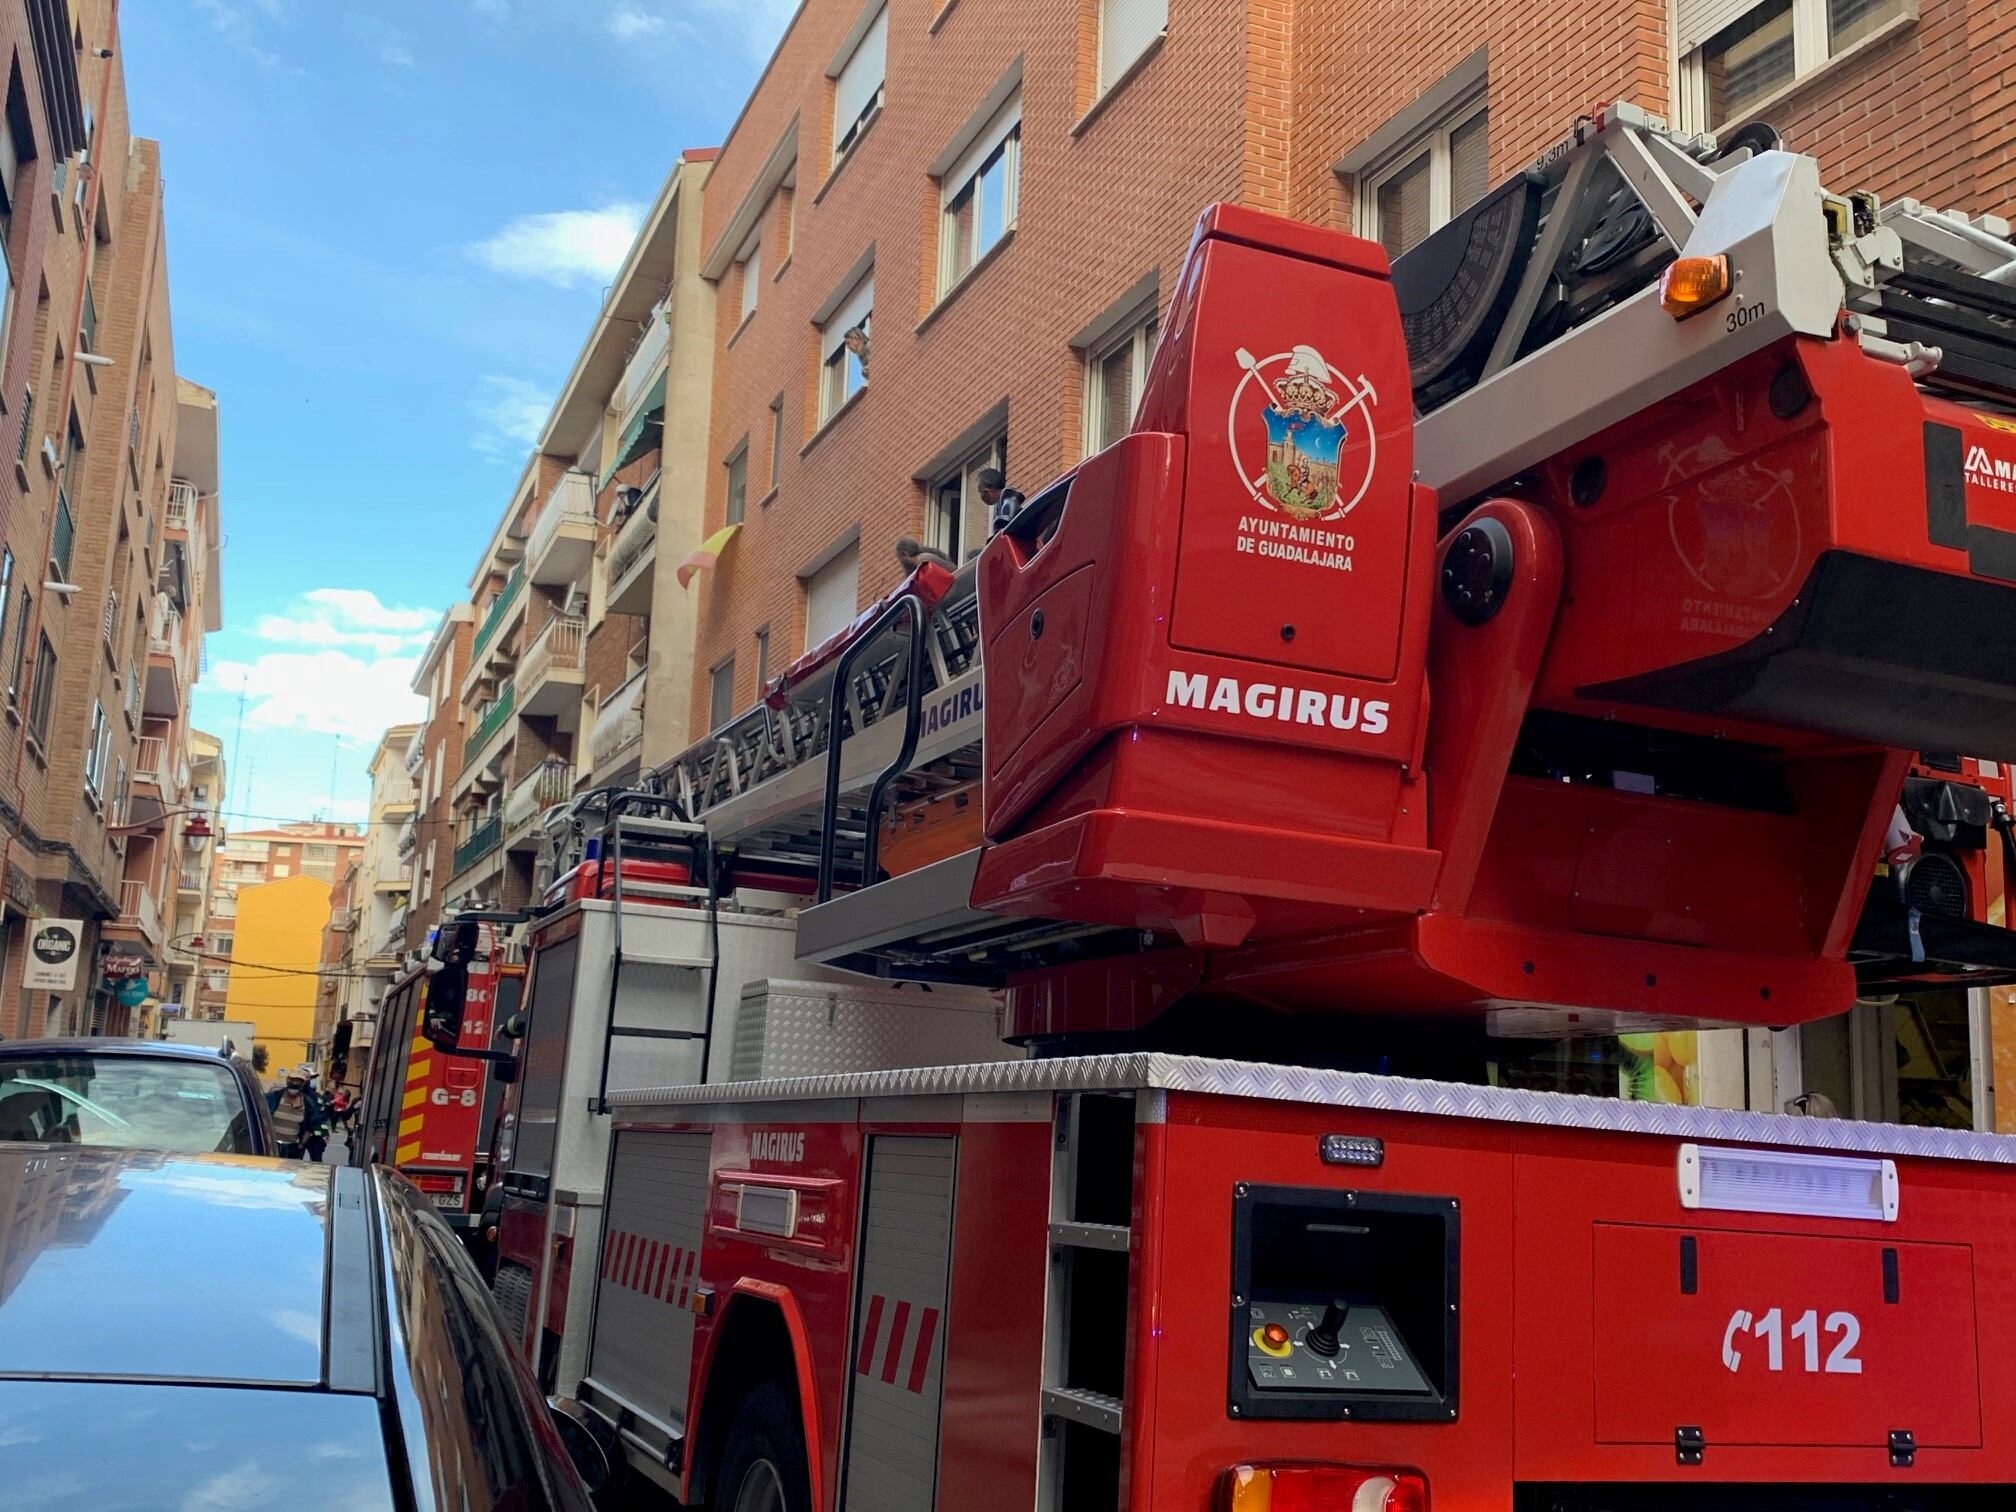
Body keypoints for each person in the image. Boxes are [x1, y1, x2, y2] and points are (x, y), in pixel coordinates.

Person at [267, 1066, 329, 1162]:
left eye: (298, 1081)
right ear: (287, 1080)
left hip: (293, 1150)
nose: (295, 1083)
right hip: (272, 1147)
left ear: (303, 1083)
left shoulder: (308, 1103)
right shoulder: (273, 1098)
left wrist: (301, 1144)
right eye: (292, 1080)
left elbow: (311, 1125)